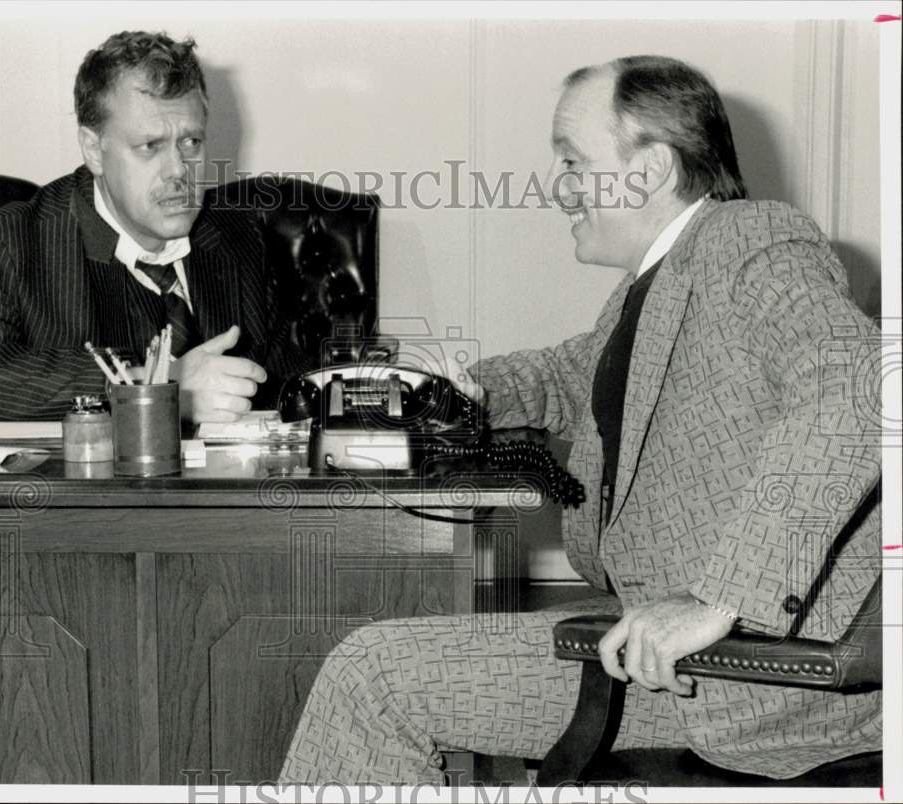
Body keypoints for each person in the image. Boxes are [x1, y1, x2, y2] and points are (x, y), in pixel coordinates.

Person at [279, 55, 881, 783]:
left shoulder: (751, 238)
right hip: (657, 649)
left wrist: (721, 597)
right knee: (373, 671)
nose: (557, 187)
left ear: (651, 169)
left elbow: (853, 383)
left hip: (745, 678)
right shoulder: (656, 284)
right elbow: (569, 375)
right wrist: (449, 387)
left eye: (572, 160)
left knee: (372, 675)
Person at [0, 30, 308, 431]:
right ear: (94, 149)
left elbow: (288, 390)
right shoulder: (5, 243)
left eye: (191, 142)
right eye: (150, 146)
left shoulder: (239, 238)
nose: (179, 171)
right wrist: (157, 386)